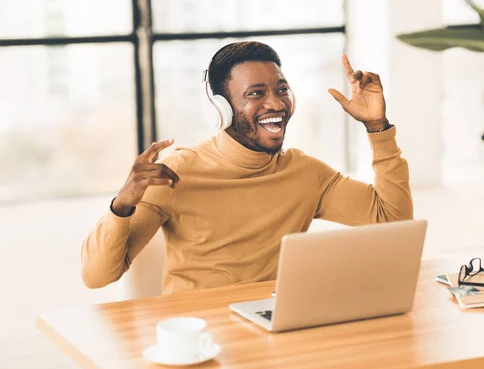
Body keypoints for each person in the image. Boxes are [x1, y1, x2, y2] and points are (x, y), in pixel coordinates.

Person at [81, 41, 413, 294]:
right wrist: (122, 205)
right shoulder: (176, 174)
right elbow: (96, 277)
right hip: (201, 335)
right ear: (219, 110)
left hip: (275, 324)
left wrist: (377, 128)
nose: (276, 104)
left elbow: (393, 220)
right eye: (256, 93)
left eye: (281, 89)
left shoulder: (306, 173)